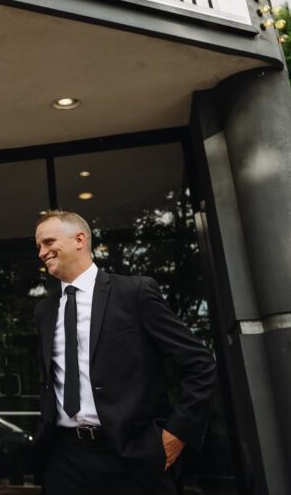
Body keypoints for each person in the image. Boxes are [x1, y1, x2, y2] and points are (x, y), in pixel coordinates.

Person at [33, 210, 216, 495]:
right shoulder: (45, 311)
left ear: (79, 239)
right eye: (39, 247)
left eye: (48, 242)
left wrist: (177, 434)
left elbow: (201, 364)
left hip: (132, 455)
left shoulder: (135, 292)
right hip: (65, 458)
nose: (42, 253)